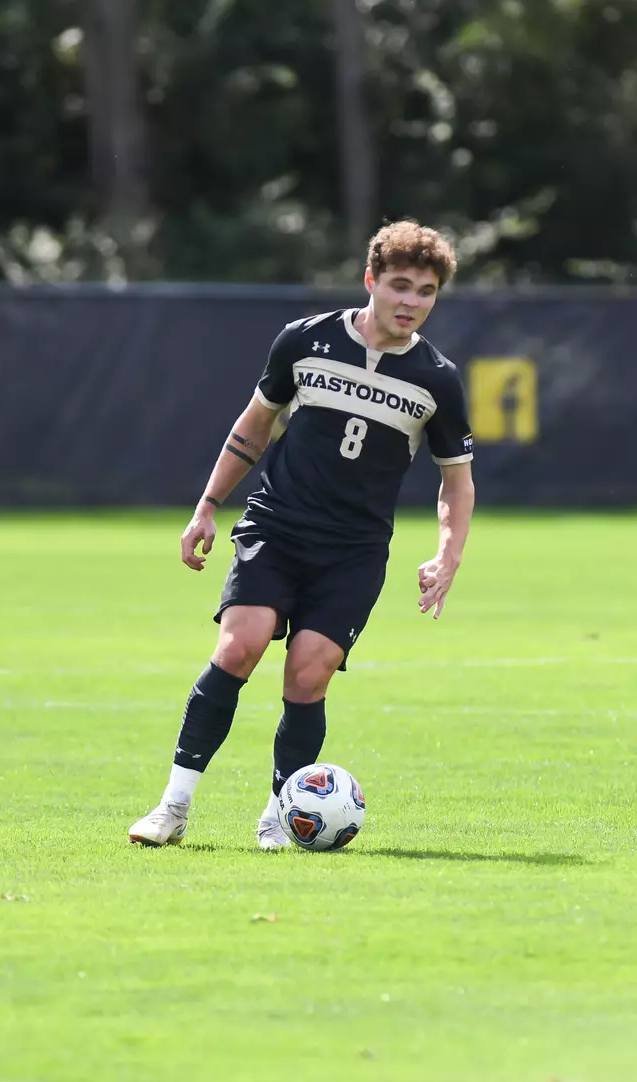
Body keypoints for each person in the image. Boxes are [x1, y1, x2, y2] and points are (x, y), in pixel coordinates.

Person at [128, 220, 475, 850]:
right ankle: (171, 807)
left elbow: (457, 481)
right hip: (278, 525)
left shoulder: (438, 379)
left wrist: (447, 557)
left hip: (354, 550)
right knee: (240, 648)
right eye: (400, 285)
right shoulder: (305, 340)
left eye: (426, 292)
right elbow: (254, 426)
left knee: (308, 675)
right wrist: (207, 506)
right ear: (371, 280)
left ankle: (279, 817)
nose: (411, 302)